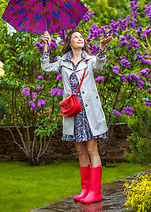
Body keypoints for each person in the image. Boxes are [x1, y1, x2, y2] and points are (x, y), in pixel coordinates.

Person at [40, 30, 113, 204]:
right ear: (70, 42)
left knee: (91, 150)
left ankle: (95, 192)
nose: (80, 39)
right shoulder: (63, 62)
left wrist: (102, 47)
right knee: (80, 151)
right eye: (76, 37)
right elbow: (45, 67)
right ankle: (85, 189)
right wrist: (46, 45)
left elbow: (100, 63)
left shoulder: (89, 60)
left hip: (89, 111)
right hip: (73, 110)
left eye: (82, 37)